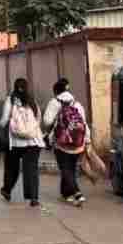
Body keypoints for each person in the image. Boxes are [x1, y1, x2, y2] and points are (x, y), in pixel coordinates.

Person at [42, 78, 89, 206]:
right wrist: (87, 140)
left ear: (56, 91)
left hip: (61, 142)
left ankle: (77, 193)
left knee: (65, 169)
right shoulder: (77, 103)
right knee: (71, 168)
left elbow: (46, 121)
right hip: (77, 142)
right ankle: (65, 193)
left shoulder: (54, 102)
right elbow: (83, 123)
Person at [0, 78, 44, 207]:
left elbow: (4, 119)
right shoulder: (31, 100)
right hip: (34, 141)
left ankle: (7, 189)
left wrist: (0, 128)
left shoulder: (10, 99)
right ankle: (33, 197)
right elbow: (38, 117)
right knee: (32, 169)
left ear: (14, 87)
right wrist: (31, 129)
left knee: (11, 167)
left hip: (15, 142)